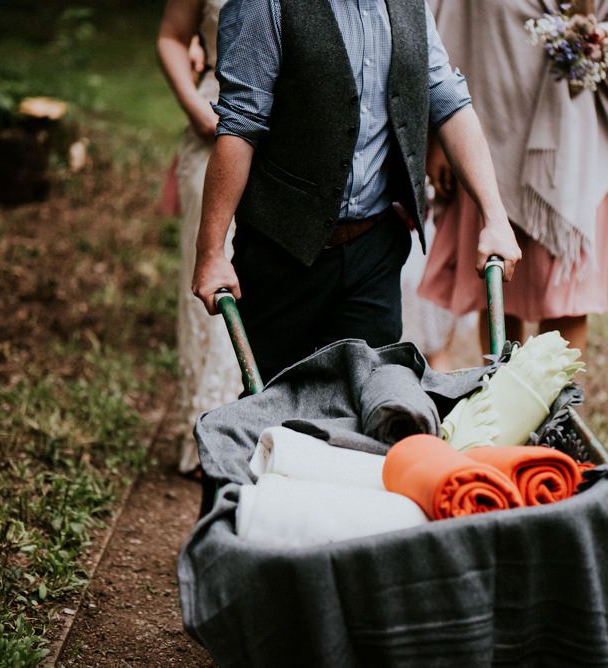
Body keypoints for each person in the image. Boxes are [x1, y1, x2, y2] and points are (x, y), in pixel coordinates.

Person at [190, 0, 522, 385]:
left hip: (373, 254)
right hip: (283, 255)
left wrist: (495, 217)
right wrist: (211, 252)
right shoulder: (264, 6)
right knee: (283, 414)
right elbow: (239, 126)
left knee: (372, 407)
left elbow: (448, 98)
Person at [419, 0, 608, 355]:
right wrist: (439, 136)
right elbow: (441, 32)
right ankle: (508, 400)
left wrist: (593, 39)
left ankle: (561, 408)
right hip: (487, 128)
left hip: (569, 136)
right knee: (498, 286)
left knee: (563, 295)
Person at [157, 0, 242, 475]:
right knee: (209, 275)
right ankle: (207, 428)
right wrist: (195, 107)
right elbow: (171, 35)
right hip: (213, 124)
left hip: (290, 138)